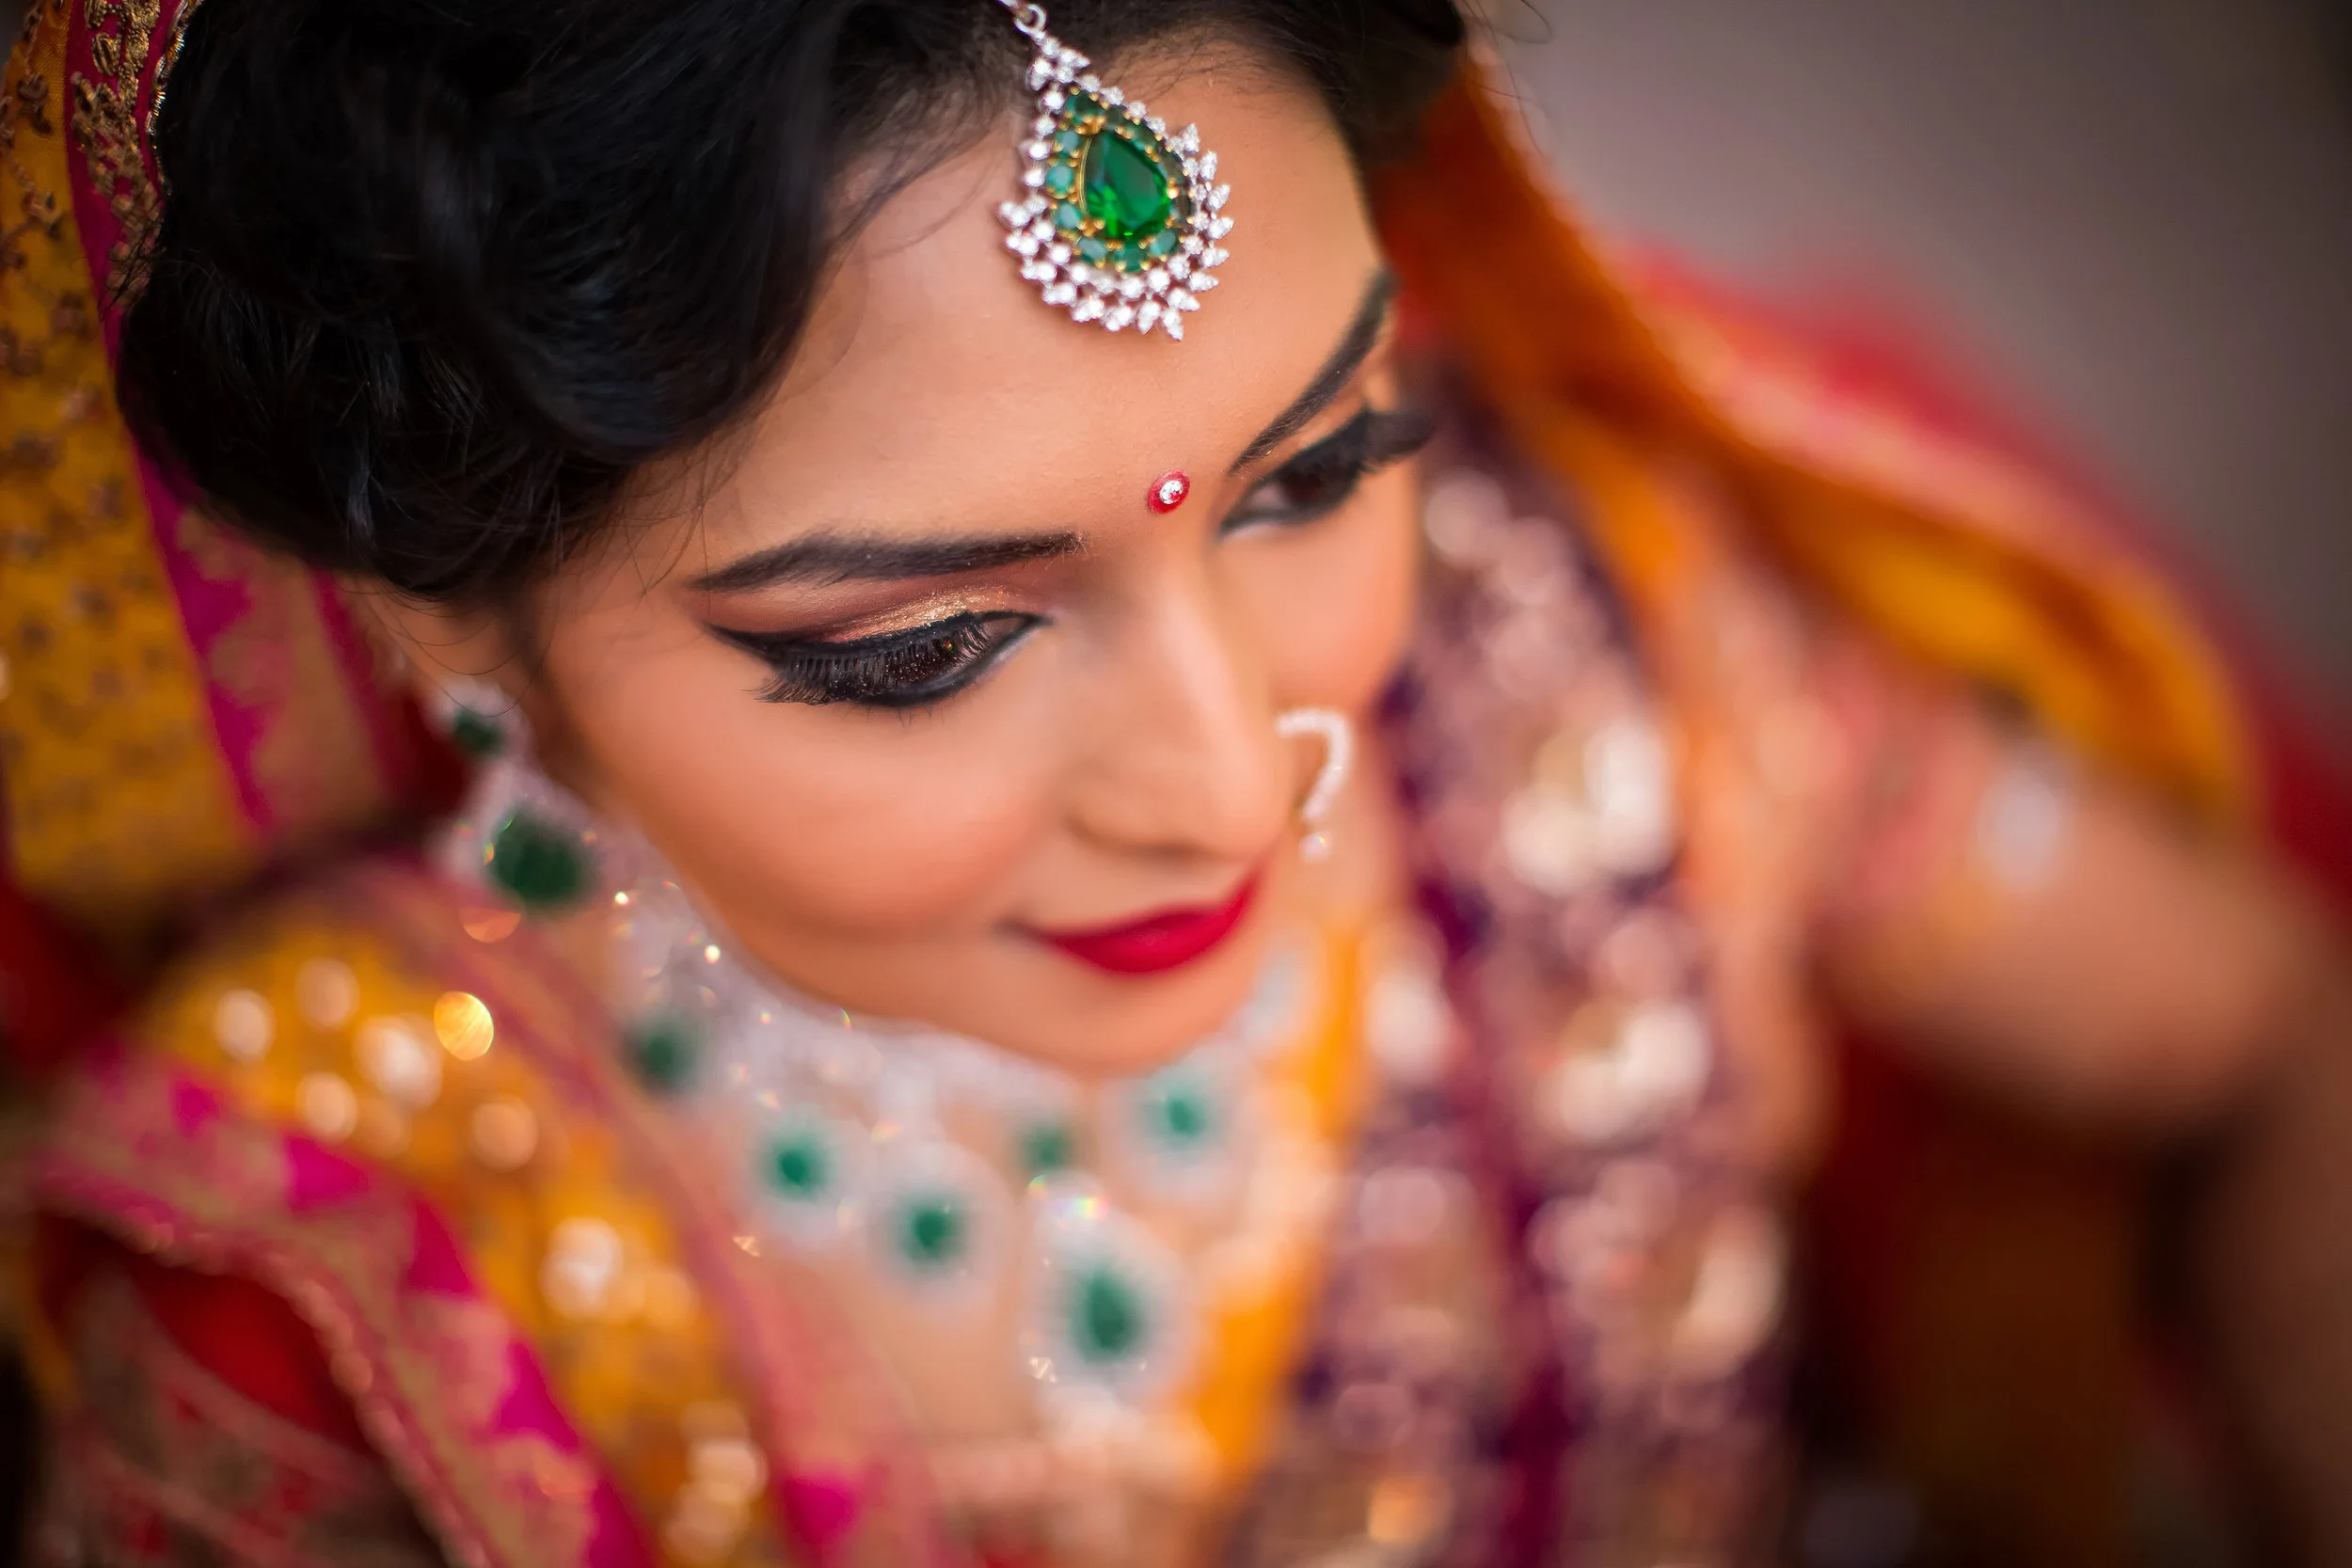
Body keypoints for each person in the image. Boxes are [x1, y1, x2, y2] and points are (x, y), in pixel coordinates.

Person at [1, 0, 2344, 1563]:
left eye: (1321, 463)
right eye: (920, 645)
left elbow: (2264, 1031)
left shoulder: (1578, 652)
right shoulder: (322, 1302)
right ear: (444, 617)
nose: (1239, 782)